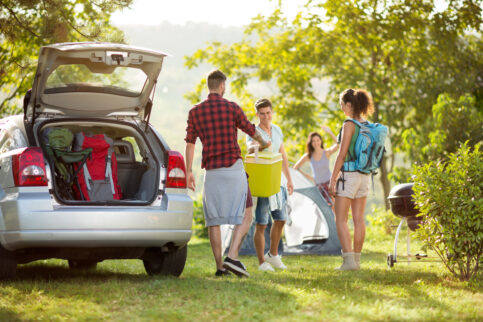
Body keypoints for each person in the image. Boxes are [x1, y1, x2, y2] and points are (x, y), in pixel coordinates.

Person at [184, 70, 270, 277]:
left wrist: (188, 171)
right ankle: (232, 256)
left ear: (209, 86)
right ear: (222, 85)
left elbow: (189, 143)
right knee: (247, 212)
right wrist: (264, 142)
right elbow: (250, 129)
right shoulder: (232, 107)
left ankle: (220, 267)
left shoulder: (195, 112)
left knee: (214, 219)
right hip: (233, 168)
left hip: (212, 171)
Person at [328, 88, 375, 271]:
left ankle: (348, 262)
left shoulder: (349, 124)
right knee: (358, 219)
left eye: (342, 104)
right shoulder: (367, 124)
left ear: (349, 105)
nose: (341, 108)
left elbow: (341, 155)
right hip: (364, 177)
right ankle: (356, 261)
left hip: (348, 176)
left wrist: (333, 180)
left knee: (340, 219)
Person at [246, 98, 294, 272]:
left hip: (278, 180)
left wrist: (289, 178)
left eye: (268, 113)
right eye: (262, 114)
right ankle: (261, 262)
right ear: (257, 114)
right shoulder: (253, 131)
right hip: (264, 181)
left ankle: (273, 255)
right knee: (261, 222)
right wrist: (260, 143)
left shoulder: (277, 130)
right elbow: (249, 148)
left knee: (281, 218)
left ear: (271, 112)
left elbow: (283, 155)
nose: (266, 117)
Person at [293, 127, 339, 211]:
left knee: (335, 209)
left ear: (321, 141)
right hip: (319, 187)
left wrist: (330, 132)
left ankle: (338, 224)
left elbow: (338, 145)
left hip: (330, 185)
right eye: (313, 141)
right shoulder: (309, 156)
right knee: (320, 211)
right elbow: (295, 168)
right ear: (310, 143)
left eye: (318, 140)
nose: (316, 143)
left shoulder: (326, 153)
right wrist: (310, 178)